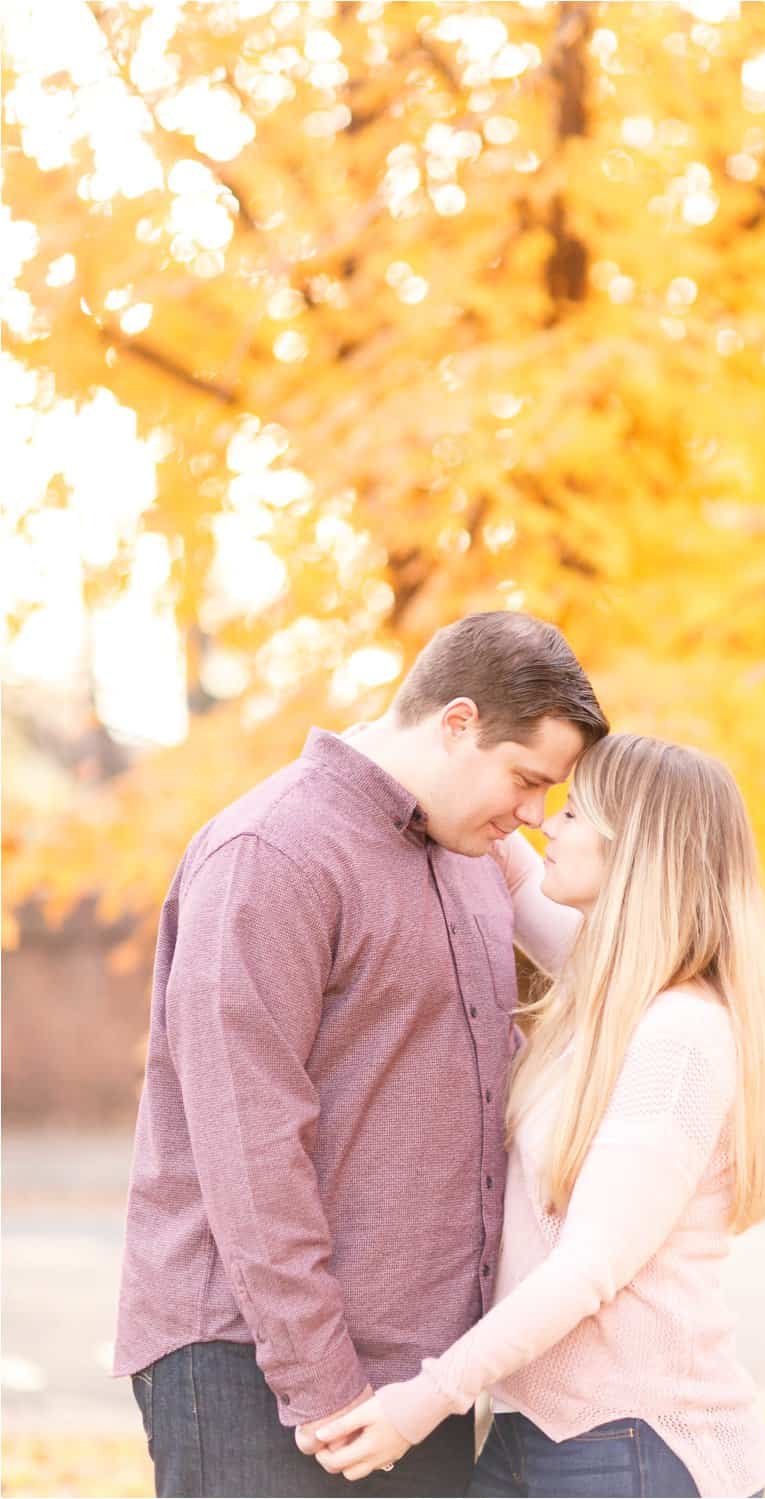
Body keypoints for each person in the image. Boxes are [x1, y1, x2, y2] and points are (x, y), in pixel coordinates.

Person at [112, 611, 608, 1498]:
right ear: (458, 723)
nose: (534, 815)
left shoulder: (471, 858)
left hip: (417, 1379)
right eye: (527, 779)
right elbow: (248, 1149)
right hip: (254, 1369)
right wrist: (327, 1391)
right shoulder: (272, 853)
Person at [303, 733, 765, 1498]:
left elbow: (586, 1267)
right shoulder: (613, 988)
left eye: (572, 813)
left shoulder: (679, 1034)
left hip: (635, 1445)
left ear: (635, 852)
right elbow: (507, 855)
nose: (542, 825)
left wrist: (422, 1403)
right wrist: (419, 752)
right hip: (537, 1433)